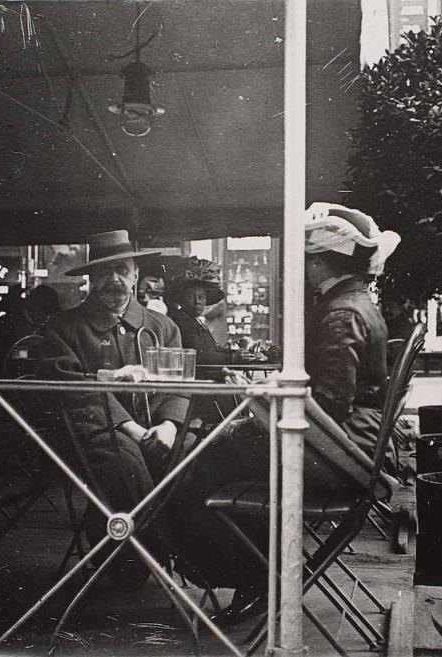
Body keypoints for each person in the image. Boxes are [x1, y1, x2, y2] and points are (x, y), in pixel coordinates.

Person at [169, 203, 400, 623]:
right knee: (229, 454)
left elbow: (329, 403)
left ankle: (245, 575)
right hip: (349, 451)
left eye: (309, 258)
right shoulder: (353, 303)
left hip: (337, 455)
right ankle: (257, 573)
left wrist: (260, 405)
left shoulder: (341, 313)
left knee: (202, 463)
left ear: (323, 261)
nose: (305, 267)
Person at [38, 230, 188, 588]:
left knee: (196, 458)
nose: (114, 280)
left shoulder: (162, 326)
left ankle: (138, 550)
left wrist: (168, 426)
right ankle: (173, 549)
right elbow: (72, 390)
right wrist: (132, 429)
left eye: (122, 269)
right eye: (104, 273)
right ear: (90, 279)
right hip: (93, 434)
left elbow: (179, 385)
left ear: (136, 274)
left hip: (158, 432)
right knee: (123, 460)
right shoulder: (64, 327)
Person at [165, 257, 232, 364]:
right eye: (191, 298)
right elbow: (201, 356)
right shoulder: (181, 321)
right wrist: (232, 358)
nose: (197, 302)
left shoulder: (195, 321)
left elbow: (209, 350)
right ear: (181, 299)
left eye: (201, 298)